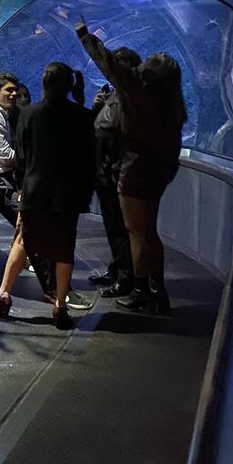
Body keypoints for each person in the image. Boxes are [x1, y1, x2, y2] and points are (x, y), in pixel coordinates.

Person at [76, 22, 187, 314]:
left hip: (137, 169)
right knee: (149, 232)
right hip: (158, 169)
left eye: (144, 67)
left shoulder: (142, 96)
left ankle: (141, 291)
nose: (138, 71)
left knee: (136, 232)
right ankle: (157, 291)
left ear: (149, 75)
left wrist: (85, 35)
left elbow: (111, 66)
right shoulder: (172, 102)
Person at [10, 62, 95, 329]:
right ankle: (60, 305)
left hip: (35, 190)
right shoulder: (82, 116)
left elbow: (21, 154)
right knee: (64, 248)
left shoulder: (27, 114)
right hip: (67, 193)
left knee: (25, 239)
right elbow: (87, 157)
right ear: (71, 85)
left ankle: (3, 293)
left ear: (43, 84)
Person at [0, 73, 54, 310]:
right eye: (8, 90)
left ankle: (9, 292)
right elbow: (6, 157)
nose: (14, 94)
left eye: (15, 90)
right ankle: (50, 290)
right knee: (31, 231)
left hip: (4, 180)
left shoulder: (1, 115)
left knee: (26, 232)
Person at [88, 47, 142, 298]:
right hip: (104, 172)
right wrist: (96, 108)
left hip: (116, 173)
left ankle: (126, 278)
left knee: (122, 228)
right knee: (112, 225)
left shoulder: (132, 98)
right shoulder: (116, 94)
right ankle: (117, 267)